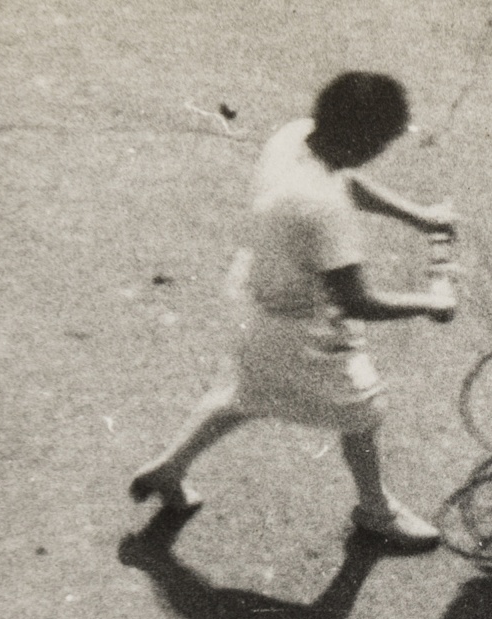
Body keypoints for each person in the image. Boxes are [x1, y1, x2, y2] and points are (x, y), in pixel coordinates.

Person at [129, 71, 456, 550]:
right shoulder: (321, 211)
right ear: (363, 140)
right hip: (302, 333)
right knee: (362, 414)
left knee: (246, 393)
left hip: (259, 299)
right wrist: (431, 303)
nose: (382, 150)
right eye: (382, 142)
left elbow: (347, 179)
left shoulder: (298, 136)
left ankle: (170, 468)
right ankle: (376, 512)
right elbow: (357, 301)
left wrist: (419, 216)